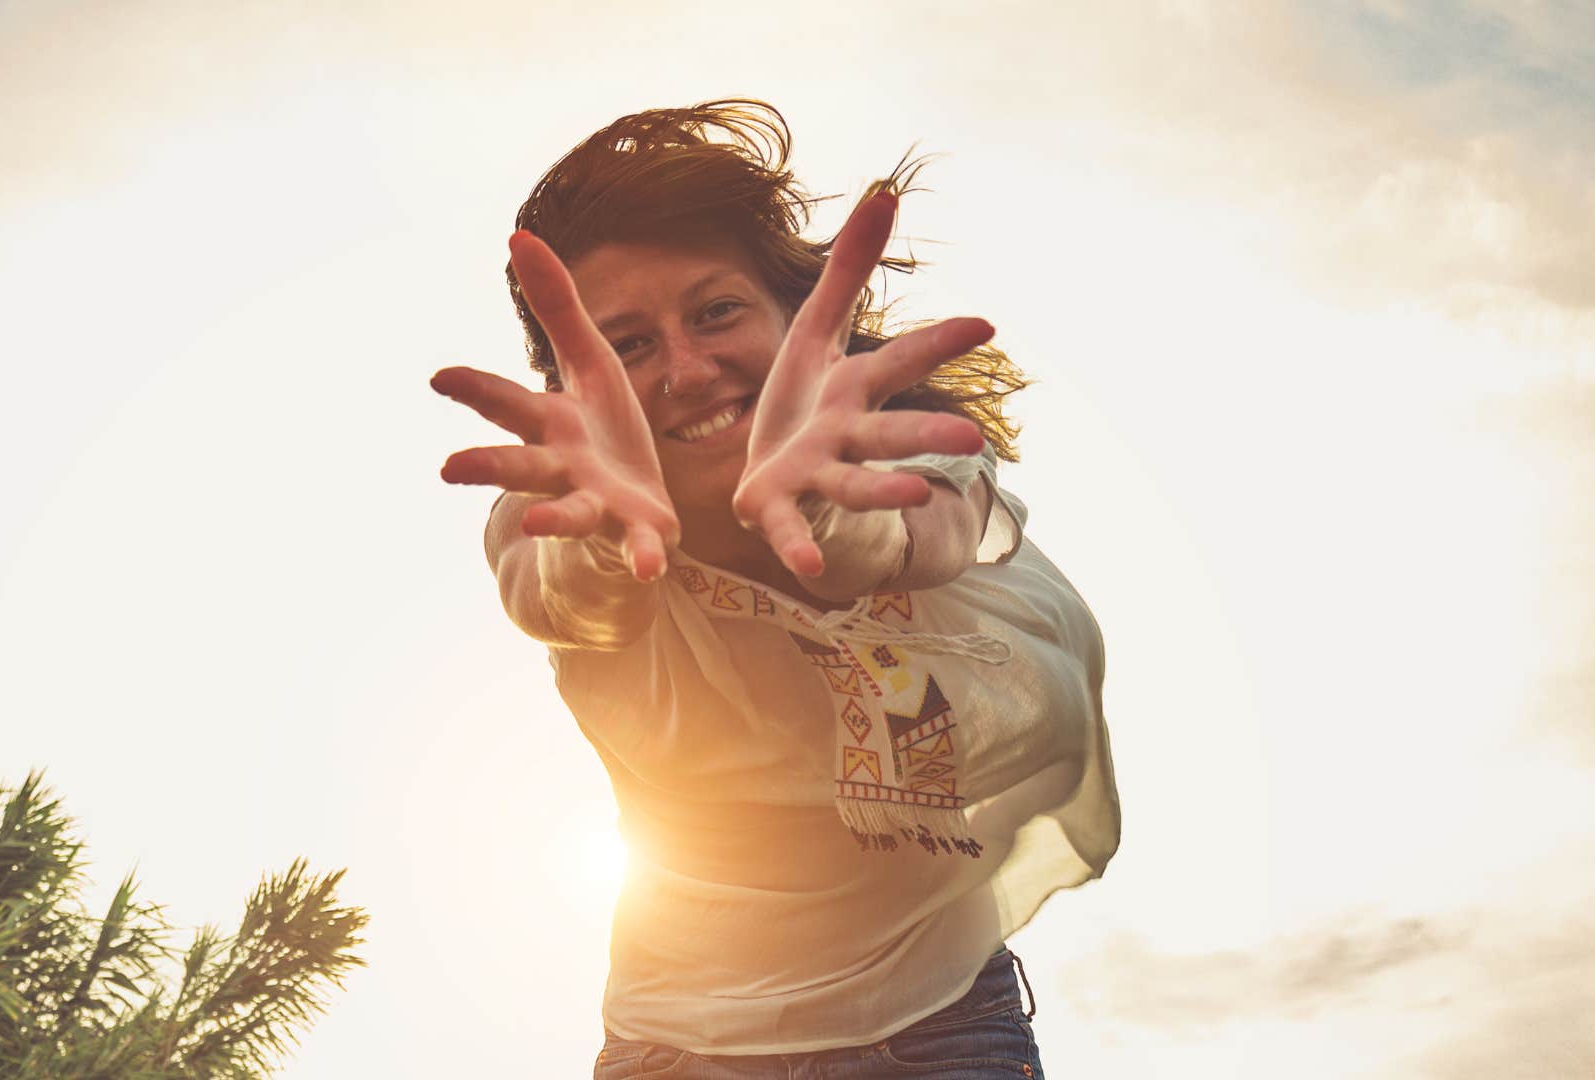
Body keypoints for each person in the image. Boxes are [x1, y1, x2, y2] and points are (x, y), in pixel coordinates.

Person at [432, 100, 1118, 1079]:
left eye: (715, 313)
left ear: (795, 320)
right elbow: (567, 602)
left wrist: (834, 524)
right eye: (626, 345)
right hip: (682, 1045)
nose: (688, 369)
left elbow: (922, 533)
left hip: (938, 1024)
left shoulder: (904, 446)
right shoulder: (561, 507)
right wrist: (610, 545)